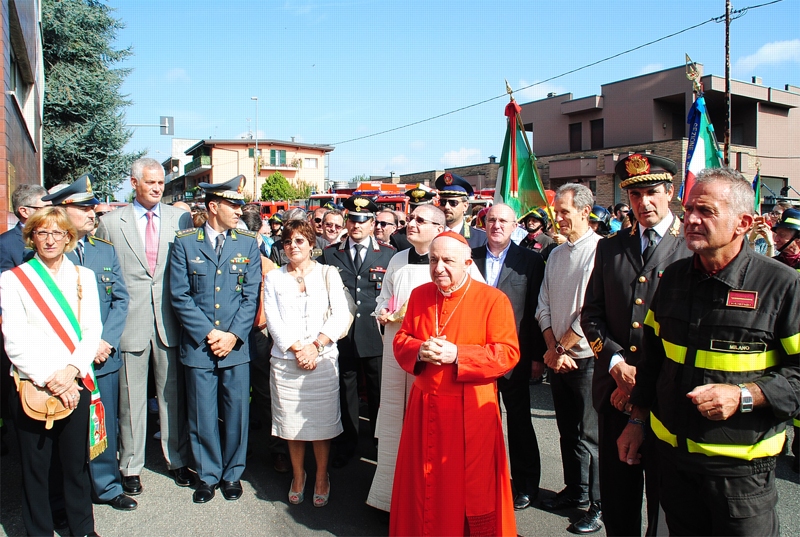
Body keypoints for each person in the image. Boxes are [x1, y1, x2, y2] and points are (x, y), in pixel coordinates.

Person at [618, 167, 800, 536]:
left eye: (706, 211)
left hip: (740, 477)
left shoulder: (781, 284)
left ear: (743, 222)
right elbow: (652, 363)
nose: (691, 220)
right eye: (688, 211)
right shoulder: (673, 279)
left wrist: (744, 396)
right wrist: (636, 420)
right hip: (674, 465)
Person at [581, 153, 690, 536]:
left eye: (651, 192)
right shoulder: (610, 247)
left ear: (671, 192)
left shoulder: (691, 246)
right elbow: (590, 315)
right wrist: (615, 365)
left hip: (666, 397)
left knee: (665, 506)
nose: (643, 203)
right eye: (635, 195)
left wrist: (641, 383)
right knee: (618, 500)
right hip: (614, 392)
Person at [390, 231, 518, 536]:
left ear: (466, 262)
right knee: (423, 484)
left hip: (469, 411)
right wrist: (419, 349)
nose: (439, 268)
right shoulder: (420, 295)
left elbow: (508, 353)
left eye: (448, 261)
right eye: (434, 260)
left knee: (465, 489)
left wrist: (458, 354)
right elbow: (402, 338)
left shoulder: (492, 299)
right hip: (425, 408)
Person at [95, 157, 195, 495]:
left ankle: (177, 460)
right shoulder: (111, 222)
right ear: (134, 183)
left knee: (172, 396)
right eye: (150, 182)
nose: (156, 188)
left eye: (161, 184)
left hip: (169, 321)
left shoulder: (178, 218)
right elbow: (104, 276)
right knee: (131, 400)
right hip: (130, 323)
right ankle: (131, 466)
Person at [0, 207, 102, 537]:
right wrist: (51, 378)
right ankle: (39, 531)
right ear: (31, 236)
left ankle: (82, 529)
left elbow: (92, 330)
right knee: (35, 469)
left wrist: (71, 371)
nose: (50, 239)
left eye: (58, 233)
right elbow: (14, 339)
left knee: (75, 466)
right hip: (34, 385)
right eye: (42, 232)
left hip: (75, 382)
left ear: (69, 238)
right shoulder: (13, 280)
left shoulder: (83, 277)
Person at [43, 176, 136, 512]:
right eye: (83, 207)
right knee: (64, 430)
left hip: (103, 358)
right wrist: (83, 347)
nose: (92, 212)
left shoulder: (103, 250)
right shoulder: (46, 254)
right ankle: (64, 498)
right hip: (65, 362)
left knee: (103, 424)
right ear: (62, 210)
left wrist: (105, 341)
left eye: (92, 205)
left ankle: (106, 485)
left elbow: (120, 299)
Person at [169, 176, 261, 503]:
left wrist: (233, 335)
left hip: (235, 346)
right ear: (213, 206)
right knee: (202, 413)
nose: (239, 210)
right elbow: (179, 296)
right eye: (233, 205)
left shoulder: (248, 243)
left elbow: (251, 297)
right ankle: (207, 475)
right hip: (200, 345)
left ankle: (233, 474)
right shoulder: (185, 243)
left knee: (237, 411)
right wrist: (210, 334)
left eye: (240, 205)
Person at [263, 219, 351, 507]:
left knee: (321, 425)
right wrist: (295, 348)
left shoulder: (328, 274)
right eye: (287, 242)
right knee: (291, 424)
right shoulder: (274, 277)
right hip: (286, 363)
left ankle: (322, 476)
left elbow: (339, 315)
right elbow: (272, 320)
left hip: (322, 361)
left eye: (299, 240)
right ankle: (299, 475)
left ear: (312, 244)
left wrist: (315, 347)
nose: (292, 247)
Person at [535, 183, 602, 534]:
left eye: (564, 211)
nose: (557, 217)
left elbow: (590, 310)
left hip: (586, 359)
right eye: (557, 211)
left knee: (589, 435)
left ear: (584, 212)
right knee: (566, 431)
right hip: (558, 358)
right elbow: (543, 305)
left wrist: (558, 348)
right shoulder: (557, 255)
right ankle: (574, 491)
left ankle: (597, 503)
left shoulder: (599, 252)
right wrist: (552, 347)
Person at [472, 204, 547, 512]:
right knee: (482, 422)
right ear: (483, 224)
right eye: (491, 220)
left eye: (503, 220)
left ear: (515, 225)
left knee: (519, 423)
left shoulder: (530, 260)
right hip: (476, 356)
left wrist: (537, 358)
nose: (497, 225)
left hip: (512, 356)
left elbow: (534, 312)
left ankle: (526, 485)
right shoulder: (470, 258)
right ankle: (487, 480)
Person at [320, 196, 395, 468]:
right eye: (352, 219)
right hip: (343, 335)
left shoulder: (388, 254)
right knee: (346, 390)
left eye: (362, 220)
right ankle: (348, 441)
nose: (356, 226)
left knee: (378, 393)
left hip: (375, 334)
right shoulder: (330, 254)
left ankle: (379, 442)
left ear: (372, 222)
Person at [0, 184, 49, 456]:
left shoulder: (57, 238)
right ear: (24, 211)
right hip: (25, 341)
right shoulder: (7, 245)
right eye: (44, 207)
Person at [434, 172, 487, 248]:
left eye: (453, 203)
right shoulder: (429, 235)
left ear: (465, 206)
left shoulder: (481, 239)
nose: (446, 206)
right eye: (443, 202)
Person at [389, 185, 435, 251]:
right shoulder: (398, 238)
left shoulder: (438, 233)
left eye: (421, 208)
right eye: (413, 208)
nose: (417, 212)